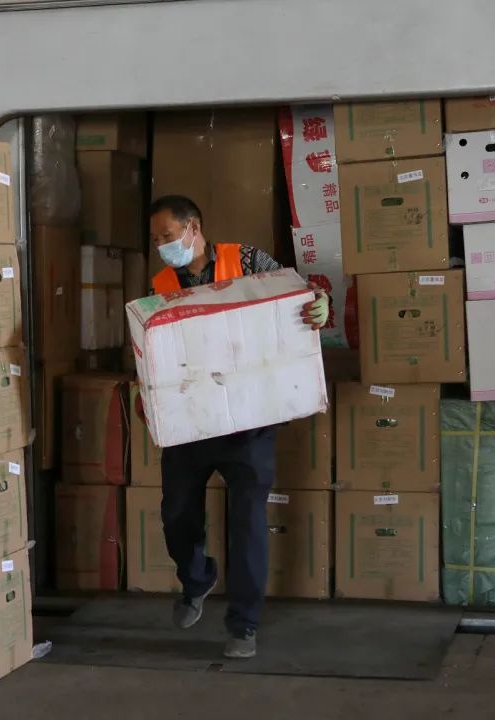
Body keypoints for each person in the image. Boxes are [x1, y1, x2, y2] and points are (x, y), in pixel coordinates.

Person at [137, 194, 330, 659]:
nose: (162, 246)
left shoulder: (246, 261)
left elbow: (298, 293)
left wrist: (320, 303)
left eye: (168, 235)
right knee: (176, 515)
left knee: (247, 524)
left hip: (248, 419)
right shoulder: (161, 284)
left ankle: (244, 626)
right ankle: (197, 579)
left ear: (193, 228)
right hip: (191, 420)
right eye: (157, 239)